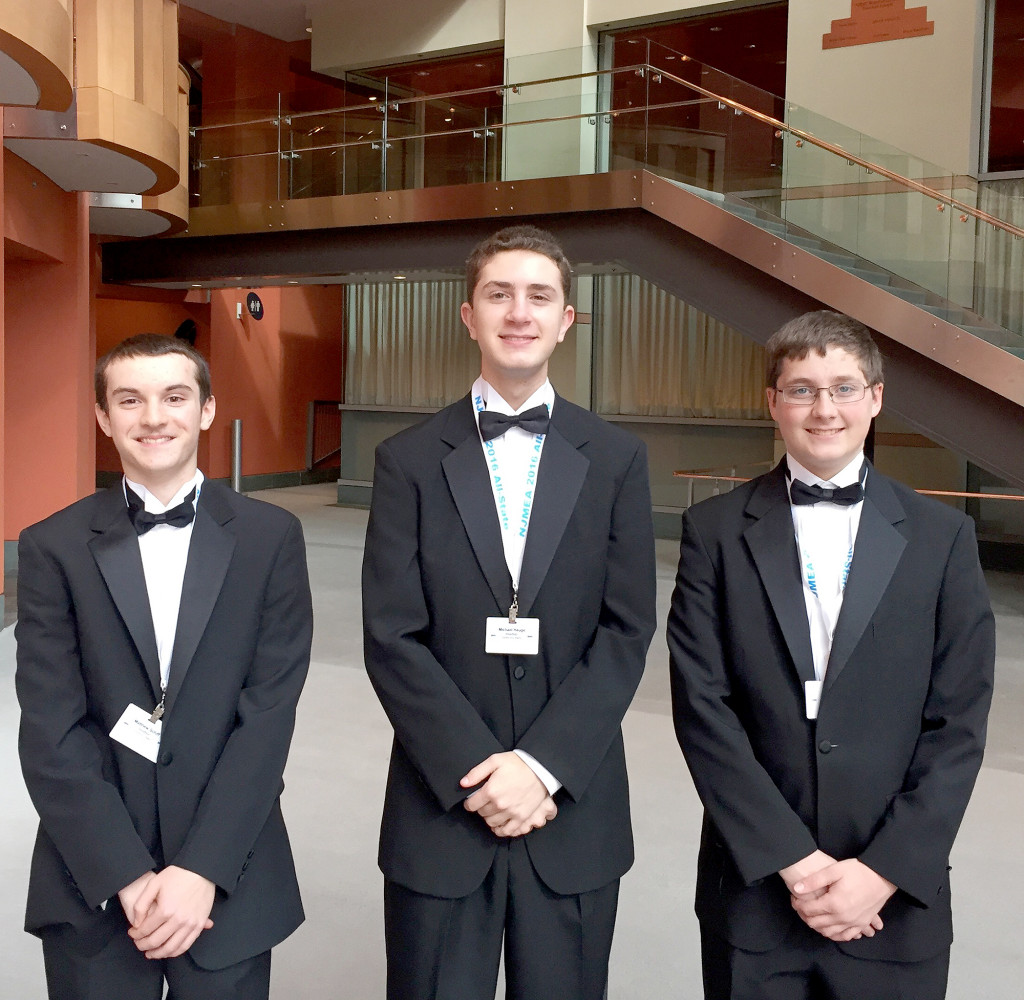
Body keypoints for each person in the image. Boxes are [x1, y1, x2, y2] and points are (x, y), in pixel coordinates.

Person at [361, 224, 657, 1000]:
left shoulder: (618, 459)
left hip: (573, 807)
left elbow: (626, 630)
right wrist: (481, 773)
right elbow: (392, 636)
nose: (518, 312)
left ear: (566, 319)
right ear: (468, 316)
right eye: (499, 294)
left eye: (539, 296)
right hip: (442, 807)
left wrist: (541, 767)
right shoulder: (408, 461)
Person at [667, 309, 995, 1000]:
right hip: (756, 893)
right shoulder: (715, 531)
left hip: (893, 902)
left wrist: (880, 872)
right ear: (772, 403)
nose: (825, 409)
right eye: (803, 389)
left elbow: (959, 725)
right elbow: (703, 710)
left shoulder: (943, 538)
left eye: (845, 388)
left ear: (876, 398)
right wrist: (791, 860)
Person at [16, 333, 313, 999]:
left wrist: (200, 870)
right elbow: (49, 728)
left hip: (228, 871)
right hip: (93, 877)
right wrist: (126, 874)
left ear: (206, 410)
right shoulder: (52, 547)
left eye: (174, 397)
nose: (153, 417)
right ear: (103, 418)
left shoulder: (271, 539)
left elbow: (268, 718)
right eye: (130, 400)